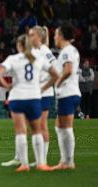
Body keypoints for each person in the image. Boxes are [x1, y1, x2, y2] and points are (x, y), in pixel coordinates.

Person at [0, 34, 58, 172]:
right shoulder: (38, 59)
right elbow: (56, 74)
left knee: (20, 131)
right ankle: (41, 163)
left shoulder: (13, 59)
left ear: (19, 45)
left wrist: (7, 85)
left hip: (17, 98)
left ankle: (24, 164)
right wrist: (44, 88)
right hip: (34, 97)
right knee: (37, 130)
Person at [53, 24, 81, 170]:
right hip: (71, 92)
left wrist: (58, 82)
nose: (54, 37)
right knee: (59, 126)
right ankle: (64, 160)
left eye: (56, 34)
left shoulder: (66, 51)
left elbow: (68, 70)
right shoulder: (72, 50)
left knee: (66, 128)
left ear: (62, 36)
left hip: (67, 93)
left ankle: (68, 162)